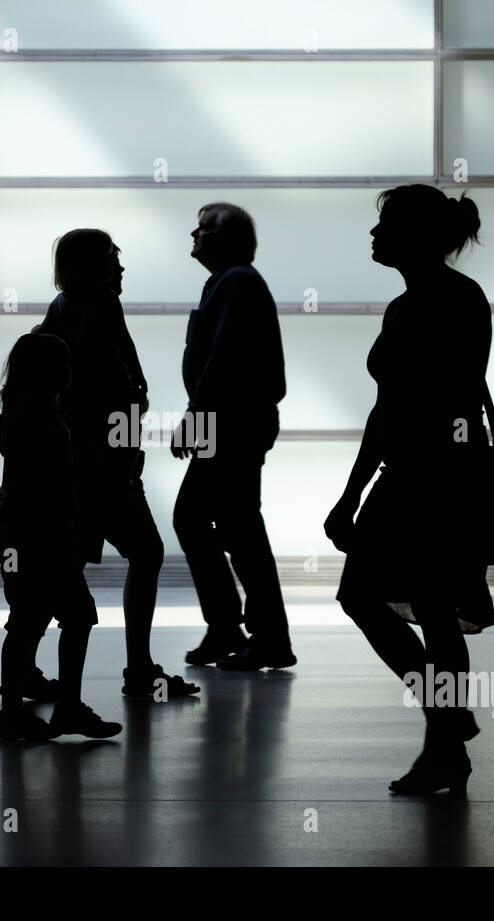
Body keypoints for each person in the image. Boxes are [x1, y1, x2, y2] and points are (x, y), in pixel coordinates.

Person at [324, 185, 494, 796]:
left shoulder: (429, 303)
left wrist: (354, 492)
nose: (373, 235)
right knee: (433, 613)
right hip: (438, 474)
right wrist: (354, 491)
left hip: (424, 479)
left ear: (415, 235)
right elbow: (407, 406)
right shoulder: (439, 299)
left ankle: (445, 729)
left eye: (385, 225)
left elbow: (397, 407)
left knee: (377, 600)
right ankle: (445, 733)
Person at [37, 229, 198, 699]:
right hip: (106, 469)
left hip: (85, 466)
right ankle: (139, 670)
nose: (120, 269)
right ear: (94, 266)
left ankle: (25, 664)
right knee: (144, 553)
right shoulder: (101, 305)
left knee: (66, 567)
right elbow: (120, 394)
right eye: (112, 259)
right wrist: (124, 467)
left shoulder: (63, 308)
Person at [173, 202, 294, 671]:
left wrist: (193, 417)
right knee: (235, 527)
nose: (194, 234)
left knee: (216, 523)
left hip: (230, 426)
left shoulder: (236, 282)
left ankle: (253, 631)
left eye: (203, 229)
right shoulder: (229, 282)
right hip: (233, 425)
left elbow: (223, 361)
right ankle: (244, 629)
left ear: (226, 238)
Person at [0, 332, 122, 740]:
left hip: (22, 534)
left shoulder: (23, 415)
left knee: (30, 620)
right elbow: (48, 487)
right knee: (61, 617)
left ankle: (23, 711)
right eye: (60, 364)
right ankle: (60, 709)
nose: (68, 371)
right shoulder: (40, 419)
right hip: (40, 536)